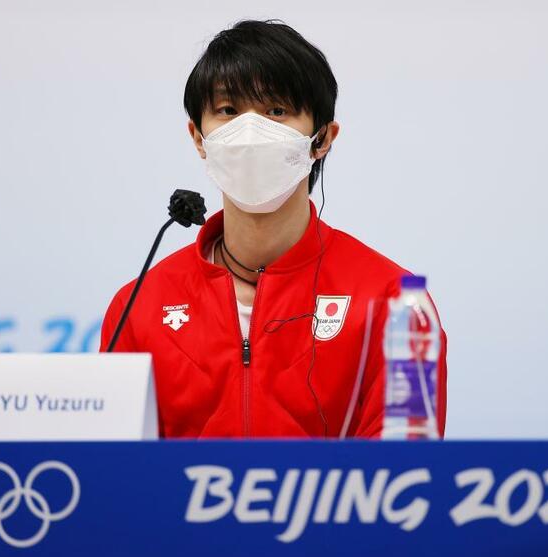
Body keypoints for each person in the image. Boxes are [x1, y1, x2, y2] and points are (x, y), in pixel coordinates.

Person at [100, 19, 447, 438]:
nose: (249, 133)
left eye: (276, 111)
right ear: (198, 137)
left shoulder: (393, 303)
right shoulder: (139, 306)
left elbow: (401, 484)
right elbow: (118, 480)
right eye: (228, 111)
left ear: (322, 139)